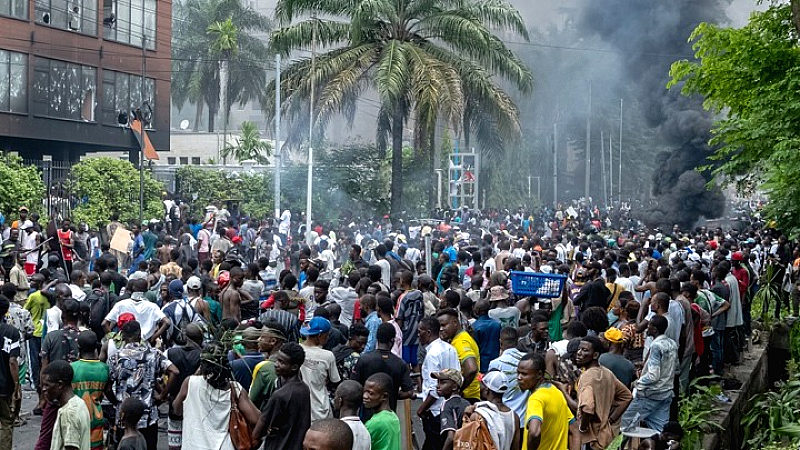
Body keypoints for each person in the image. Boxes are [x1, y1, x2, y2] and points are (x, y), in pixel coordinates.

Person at [107, 320, 179, 450]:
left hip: (125, 418)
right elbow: (174, 371)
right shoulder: (153, 354)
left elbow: (107, 386)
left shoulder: (116, 358)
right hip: (148, 417)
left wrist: (116, 402)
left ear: (122, 336)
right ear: (140, 335)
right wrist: (162, 395)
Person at [620, 316, 678, 433]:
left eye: (649, 325)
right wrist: (644, 365)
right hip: (666, 393)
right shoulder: (672, 344)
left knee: (624, 425)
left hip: (650, 394)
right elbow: (674, 367)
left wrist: (637, 383)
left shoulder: (656, 346)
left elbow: (653, 375)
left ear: (655, 329)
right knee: (659, 430)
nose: (647, 328)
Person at [574, 336, 632, 450]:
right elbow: (627, 397)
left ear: (595, 355)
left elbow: (587, 408)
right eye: (579, 349)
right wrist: (610, 420)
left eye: (585, 350)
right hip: (605, 435)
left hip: (592, 438)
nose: (579, 353)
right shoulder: (607, 373)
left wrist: (582, 428)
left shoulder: (587, 377)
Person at [253, 342, 312, 450]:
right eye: (277, 360)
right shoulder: (304, 388)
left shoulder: (280, 395)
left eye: (281, 362)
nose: (276, 364)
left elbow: (259, 430)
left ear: (294, 367)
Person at [517, 352, 579, 450]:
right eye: (518, 373)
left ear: (539, 374)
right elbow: (574, 429)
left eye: (524, 374)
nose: (519, 377)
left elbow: (534, 432)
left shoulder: (536, 398)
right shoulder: (556, 392)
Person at [351, 323, 414, 417]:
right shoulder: (400, 364)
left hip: (367, 414)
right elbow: (409, 392)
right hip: (388, 414)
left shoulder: (364, 359)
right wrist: (392, 395)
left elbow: (354, 386)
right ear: (392, 340)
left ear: (377, 339)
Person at [416, 316, 460, 450]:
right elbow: (458, 377)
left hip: (435, 412)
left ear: (428, 332)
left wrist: (421, 409)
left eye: (420, 331)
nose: (418, 335)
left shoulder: (432, 354)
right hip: (450, 407)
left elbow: (434, 389)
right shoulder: (449, 348)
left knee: (436, 443)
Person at [164, 323, 203, 450]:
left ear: (185, 337)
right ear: (201, 338)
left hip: (174, 403)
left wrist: (162, 394)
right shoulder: (205, 357)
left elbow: (158, 376)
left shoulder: (169, 353)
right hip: (197, 406)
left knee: (175, 443)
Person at [463, 371, 520, 450]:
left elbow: (469, 444)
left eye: (481, 384)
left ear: (487, 389)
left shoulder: (478, 415)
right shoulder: (514, 417)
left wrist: (466, 417)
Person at [70, 332, 109, 450]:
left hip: (75, 421)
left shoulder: (72, 367)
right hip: (96, 421)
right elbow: (107, 392)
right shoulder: (104, 368)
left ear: (79, 348)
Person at [299, 317, 342, 422]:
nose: (327, 338)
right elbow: (335, 380)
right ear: (320, 335)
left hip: (300, 408)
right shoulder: (327, 356)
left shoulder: (297, 350)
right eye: (327, 336)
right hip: (320, 408)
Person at [102, 279, 171, 344]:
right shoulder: (153, 307)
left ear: (132, 289)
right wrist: (153, 338)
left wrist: (115, 339)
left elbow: (104, 324)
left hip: (124, 344)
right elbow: (167, 322)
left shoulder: (121, 304)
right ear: (146, 290)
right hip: (144, 344)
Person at [42, 360, 91, 450]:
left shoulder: (69, 413)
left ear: (60, 385)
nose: (43, 389)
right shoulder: (79, 403)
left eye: (47, 385)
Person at [487, 327, 529, 426]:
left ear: (500, 343)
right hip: (525, 417)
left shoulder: (495, 363)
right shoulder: (528, 360)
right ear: (517, 341)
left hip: (504, 417)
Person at [437, 308, 480, 402]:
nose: (441, 329)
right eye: (439, 326)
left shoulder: (461, 342)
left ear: (455, 322)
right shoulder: (459, 339)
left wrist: (459, 389)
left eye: (444, 325)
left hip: (468, 396)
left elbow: (472, 369)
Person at [249, 324, 287, 411]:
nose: (258, 340)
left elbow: (252, 399)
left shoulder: (264, 367)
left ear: (273, 341)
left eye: (262, 337)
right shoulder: (291, 363)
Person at [0, 295, 20, 450]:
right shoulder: (11, 332)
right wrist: (16, 385)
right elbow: (12, 361)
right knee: (6, 422)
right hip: (3, 386)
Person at [433, 368, 471, 450]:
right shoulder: (466, 403)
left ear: (454, 386)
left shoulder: (447, 404)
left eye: (443, 382)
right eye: (438, 382)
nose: (438, 386)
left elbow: (451, 437)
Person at [363, 372, 401, 450]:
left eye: (370, 393)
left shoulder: (376, 422)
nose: (365, 396)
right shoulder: (393, 416)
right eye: (364, 392)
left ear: (384, 396)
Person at [333, 381, 371, 450]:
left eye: (335, 396)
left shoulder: (337, 431)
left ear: (340, 401)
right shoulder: (365, 432)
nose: (334, 399)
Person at [471, 299, 501, 373]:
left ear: (478, 310)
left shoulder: (474, 326)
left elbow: (474, 347)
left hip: (482, 365)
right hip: (496, 364)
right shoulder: (497, 324)